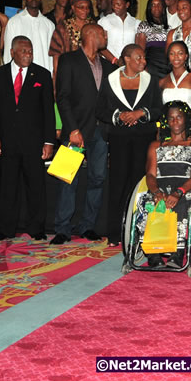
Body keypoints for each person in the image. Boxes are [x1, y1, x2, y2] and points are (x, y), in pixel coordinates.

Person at [52, 23, 116, 245]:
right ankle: (62, 228)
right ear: (91, 35)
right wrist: (72, 129)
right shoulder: (69, 60)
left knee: (97, 179)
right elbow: (62, 97)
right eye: (103, 33)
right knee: (67, 179)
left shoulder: (107, 66)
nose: (106, 36)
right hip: (76, 131)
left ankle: (87, 225)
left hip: (100, 132)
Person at [0, 36, 55, 241]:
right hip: (7, 142)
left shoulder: (42, 75)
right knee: (8, 187)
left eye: (30, 51)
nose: (28, 54)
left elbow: (48, 112)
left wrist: (49, 141)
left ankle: (36, 228)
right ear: (12, 52)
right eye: (24, 51)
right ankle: (6, 229)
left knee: (36, 187)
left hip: (34, 143)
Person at [96, 44, 162, 247]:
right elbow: (100, 110)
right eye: (138, 57)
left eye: (144, 57)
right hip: (119, 139)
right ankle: (115, 233)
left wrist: (141, 113)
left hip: (144, 138)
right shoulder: (111, 80)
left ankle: (140, 230)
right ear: (126, 59)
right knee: (117, 184)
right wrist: (120, 116)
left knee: (141, 183)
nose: (143, 61)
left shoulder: (151, 80)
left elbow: (158, 109)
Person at [142, 101, 191, 267]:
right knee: (149, 203)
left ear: (186, 119)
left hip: (185, 187)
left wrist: (179, 192)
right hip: (160, 187)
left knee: (182, 204)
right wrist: (156, 192)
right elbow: (150, 174)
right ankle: (153, 252)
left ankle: (177, 253)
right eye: (171, 118)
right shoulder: (156, 146)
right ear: (166, 121)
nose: (175, 121)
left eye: (179, 117)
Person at [1, 0, 55, 74]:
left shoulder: (49, 25)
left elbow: (52, 54)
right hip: (20, 73)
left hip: (44, 71)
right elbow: (8, 51)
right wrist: (9, 74)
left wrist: (51, 73)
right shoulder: (14, 22)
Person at [49, 0, 96, 80]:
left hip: (90, 73)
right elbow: (56, 56)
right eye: (81, 7)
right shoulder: (63, 27)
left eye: (87, 7)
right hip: (68, 73)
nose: (85, 10)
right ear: (73, 8)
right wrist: (56, 77)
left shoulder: (93, 26)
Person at [99, 0, 140, 65]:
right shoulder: (105, 21)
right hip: (109, 63)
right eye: (113, 4)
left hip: (129, 64)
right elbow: (101, 46)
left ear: (127, 5)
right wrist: (115, 60)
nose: (115, 7)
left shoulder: (136, 23)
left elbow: (138, 47)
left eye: (118, 4)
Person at [135, 0, 170, 78]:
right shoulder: (144, 25)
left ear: (163, 8)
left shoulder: (169, 28)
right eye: (153, 5)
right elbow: (140, 49)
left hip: (166, 64)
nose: (156, 7)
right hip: (151, 63)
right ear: (149, 8)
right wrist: (143, 66)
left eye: (159, 5)